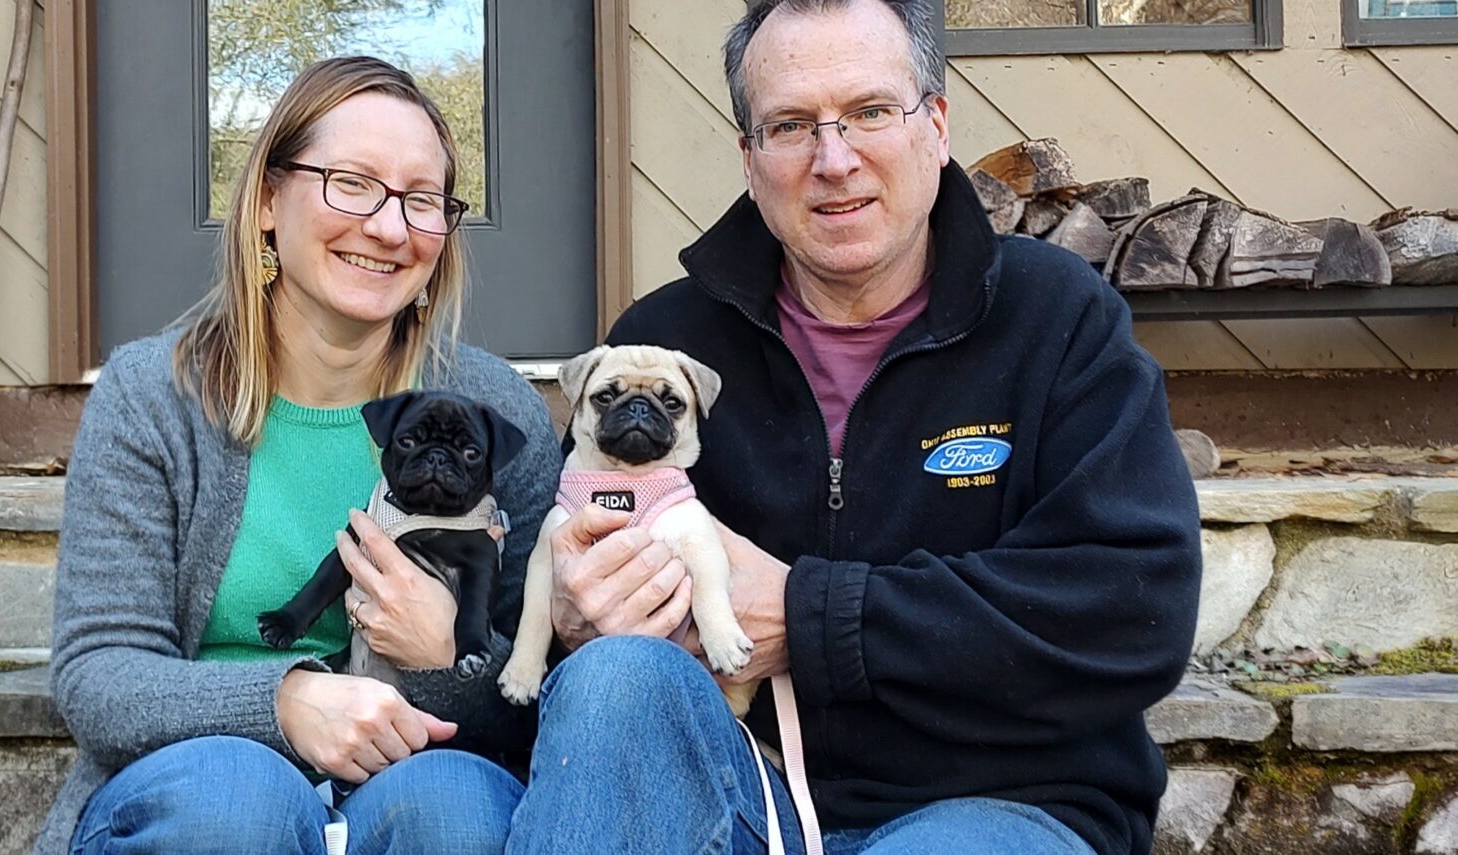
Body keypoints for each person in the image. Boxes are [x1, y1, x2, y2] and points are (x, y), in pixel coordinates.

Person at [504, 1, 1202, 854]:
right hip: (740, 783)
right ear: (751, 159)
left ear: (935, 126)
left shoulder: (1057, 319)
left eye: (871, 112)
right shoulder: (668, 343)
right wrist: (583, 616)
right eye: (791, 125)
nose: (834, 160)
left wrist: (806, 616)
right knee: (614, 681)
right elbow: (581, 588)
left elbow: (1135, 609)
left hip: (1003, 800)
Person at [32, 55, 562, 855]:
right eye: (351, 183)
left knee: (455, 810)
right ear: (269, 200)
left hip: (423, 765)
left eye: (422, 201)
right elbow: (99, 676)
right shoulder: (153, 395)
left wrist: (444, 659)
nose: (389, 228)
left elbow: (546, 687)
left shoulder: (496, 412)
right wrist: (285, 702)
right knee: (238, 803)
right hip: (200, 779)